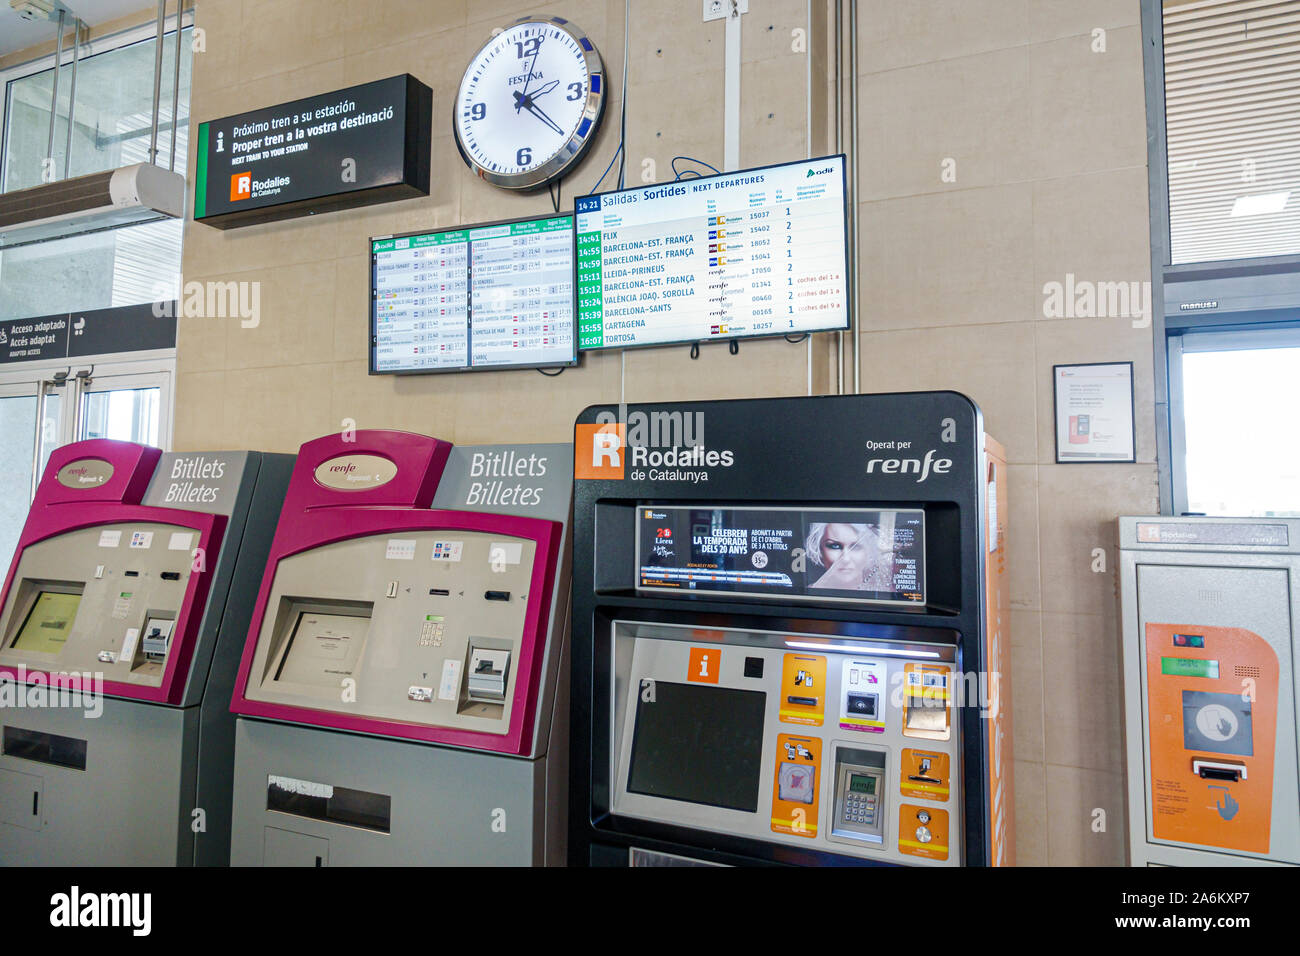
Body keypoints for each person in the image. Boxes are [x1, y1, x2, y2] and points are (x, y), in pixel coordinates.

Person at [804, 521, 895, 592]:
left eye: (856, 547)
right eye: (835, 546)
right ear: (820, 549)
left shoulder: (887, 593)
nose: (845, 559)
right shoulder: (807, 594)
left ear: (869, 550)